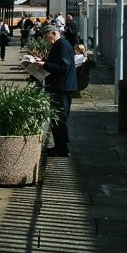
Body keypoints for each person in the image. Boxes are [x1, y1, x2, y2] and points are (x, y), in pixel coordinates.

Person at [31, 24, 77, 157]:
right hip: (62, 86)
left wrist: (44, 65)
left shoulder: (61, 45)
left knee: (59, 119)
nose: (45, 39)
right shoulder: (61, 44)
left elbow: (63, 66)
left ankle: (62, 149)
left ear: (54, 33)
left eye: (46, 36)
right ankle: (59, 146)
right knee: (57, 118)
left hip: (61, 87)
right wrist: (43, 61)